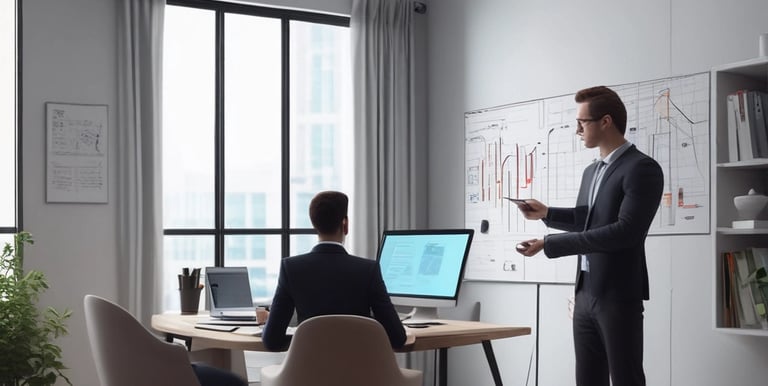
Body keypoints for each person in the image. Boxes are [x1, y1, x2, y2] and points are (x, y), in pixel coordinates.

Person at [515, 86, 663, 386]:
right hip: (585, 294)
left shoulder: (642, 169)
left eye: (582, 123)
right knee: (587, 380)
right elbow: (588, 222)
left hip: (618, 295)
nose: (577, 130)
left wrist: (550, 244)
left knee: (627, 379)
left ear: (605, 121)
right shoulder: (591, 171)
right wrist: (546, 213)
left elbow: (625, 232)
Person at [261, 190, 407, 351]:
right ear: (345, 224)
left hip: (306, 374)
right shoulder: (368, 270)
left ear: (314, 224)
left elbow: (271, 340)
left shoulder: (291, 268)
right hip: (361, 374)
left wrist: (303, 340)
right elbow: (397, 338)